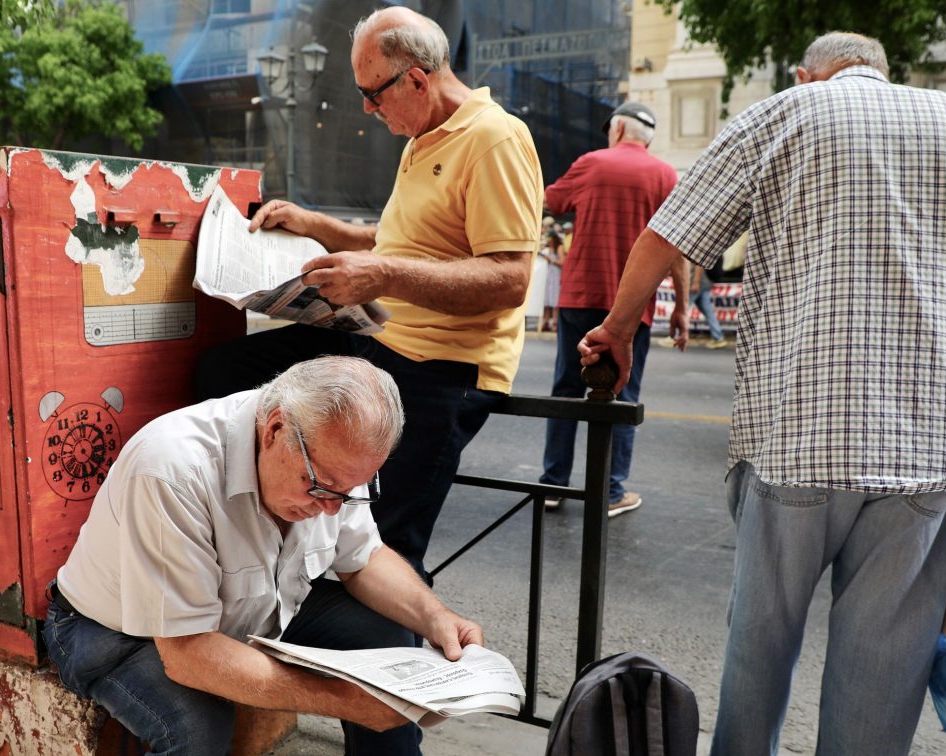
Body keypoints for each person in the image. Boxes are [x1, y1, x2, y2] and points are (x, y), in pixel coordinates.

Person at [579, 32, 946, 755]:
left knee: (759, 647)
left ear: (806, 74)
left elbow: (669, 235)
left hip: (796, 438)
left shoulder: (784, 112)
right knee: (882, 671)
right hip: (928, 449)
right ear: (884, 72)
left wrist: (617, 329)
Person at [193, 7, 542, 578]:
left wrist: (383, 276)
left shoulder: (494, 138)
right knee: (226, 372)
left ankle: (387, 625)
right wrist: (316, 225)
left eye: (372, 93)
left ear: (417, 80)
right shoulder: (420, 137)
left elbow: (509, 278)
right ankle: (262, 539)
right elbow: (395, 241)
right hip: (375, 338)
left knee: (383, 548)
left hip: (439, 365)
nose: (366, 108)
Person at [45, 357, 484, 755]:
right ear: (274, 430)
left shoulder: (332, 458)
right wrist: (343, 700)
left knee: (388, 635)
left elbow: (364, 558)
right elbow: (187, 653)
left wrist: (435, 617)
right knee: (198, 731)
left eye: (349, 491)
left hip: (257, 609)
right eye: (321, 487)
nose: (332, 508)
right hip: (115, 632)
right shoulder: (172, 469)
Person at [540, 100, 687, 517]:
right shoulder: (665, 175)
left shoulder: (591, 163)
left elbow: (551, 201)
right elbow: (675, 248)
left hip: (580, 296)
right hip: (633, 306)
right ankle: (611, 491)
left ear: (618, 130)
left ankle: (552, 485)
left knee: (566, 391)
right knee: (623, 394)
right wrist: (680, 305)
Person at [689, 262, 727, 347]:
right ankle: (718, 337)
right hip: (702, 283)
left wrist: (696, 282)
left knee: (682, 309)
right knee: (708, 311)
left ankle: (675, 336)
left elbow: (699, 265)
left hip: (695, 284)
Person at [537, 230, 565, 332]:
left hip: (555, 275)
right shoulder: (547, 248)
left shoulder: (559, 247)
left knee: (554, 298)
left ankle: (555, 322)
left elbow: (562, 262)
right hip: (547, 275)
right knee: (547, 298)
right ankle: (546, 321)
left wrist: (550, 259)